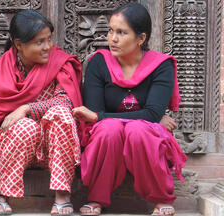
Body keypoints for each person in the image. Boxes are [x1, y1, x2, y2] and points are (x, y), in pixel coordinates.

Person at [72, 2, 187, 216]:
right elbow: (148, 115)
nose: (112, 39)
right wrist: (148, 117)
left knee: (138, 131)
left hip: (143, 136)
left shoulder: (161, 65)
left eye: (121, 33)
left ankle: (161, 199)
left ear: (141, 39)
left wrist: (100, 116)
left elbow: (150, 114)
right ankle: (96, 197)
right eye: (110, 31)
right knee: (109, 129)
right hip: (109, 135)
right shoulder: (99, 62)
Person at [0, 9, 82, 215]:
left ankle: (62, 195)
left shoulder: (59, 63)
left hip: (53, 149)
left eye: (49, 39)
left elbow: (66, 102)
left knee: (59, 114)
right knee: (24, 127)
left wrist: (26, 108)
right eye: (40, 42)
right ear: (19, 45)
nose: (48, 47)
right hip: (17, 145)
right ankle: (3, 195)